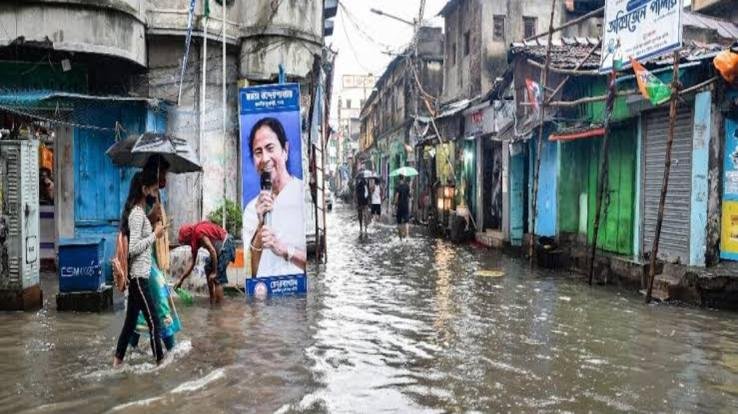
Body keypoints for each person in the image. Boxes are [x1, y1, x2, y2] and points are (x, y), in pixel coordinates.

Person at [114, 170, 168, 367]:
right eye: (152, 189)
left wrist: (155, 226)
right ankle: (160, 363)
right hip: (138, 278)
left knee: (129, 325)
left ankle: (116, 363)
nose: (155, 193)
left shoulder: (139, 214)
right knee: (155, 322)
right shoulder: (137, 215)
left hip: (139, 276)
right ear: (143, 189)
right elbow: (134, 249)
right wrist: (155, 235)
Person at [242, 117, 307, 278]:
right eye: (258, 152)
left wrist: (285, 250)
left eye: (270, 148)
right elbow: (252, 273)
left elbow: (317, 261)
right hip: (265, 297)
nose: (264, 158)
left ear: (285, 150)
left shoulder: (303, 195)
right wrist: (260, 225)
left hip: (297, 297)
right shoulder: (252, 209)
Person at [129, 156, 181, 352]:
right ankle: (170, 350)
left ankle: (125, 351)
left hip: (149, 258)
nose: (165, 180)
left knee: (140, 306)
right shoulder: (142, 197)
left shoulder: (155, 196)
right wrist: (153, 219)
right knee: (159, 299)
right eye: (163, 174)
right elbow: (136, 227)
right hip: (142, 260)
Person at [174, 221, 235, 305]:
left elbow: (212, 251)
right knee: (207, 268)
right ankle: (212, 301)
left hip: (227, 244)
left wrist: (214, 272)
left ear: (188, 237)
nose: (187, 244)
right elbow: (192, 264)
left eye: (185, 242)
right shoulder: (194, 242)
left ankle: (219, 309)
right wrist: (181, 280)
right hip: (218, 250)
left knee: (217, 278)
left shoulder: (198, 233)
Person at [393, 174, 411, 240]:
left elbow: (397, 196)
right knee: (406, 222)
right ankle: (407, 236)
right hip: (406, 206)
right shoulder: (407, 186)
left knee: (399, 222)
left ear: (399, 179)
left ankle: (400, 238)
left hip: (400, 206)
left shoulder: (398, 187)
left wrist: (395, 204)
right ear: (403, 178)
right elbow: (410, 196)